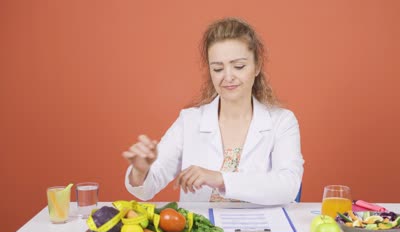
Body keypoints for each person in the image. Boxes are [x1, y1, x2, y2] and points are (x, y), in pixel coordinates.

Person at [123, 17, 304, 205]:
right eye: (217, 68)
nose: (228, 76)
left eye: (239, 66)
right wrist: (140, 170)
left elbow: (287, 186)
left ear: (257, 66)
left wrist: (220, 178)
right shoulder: (190, 121)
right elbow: (147, 189)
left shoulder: (282, 121)